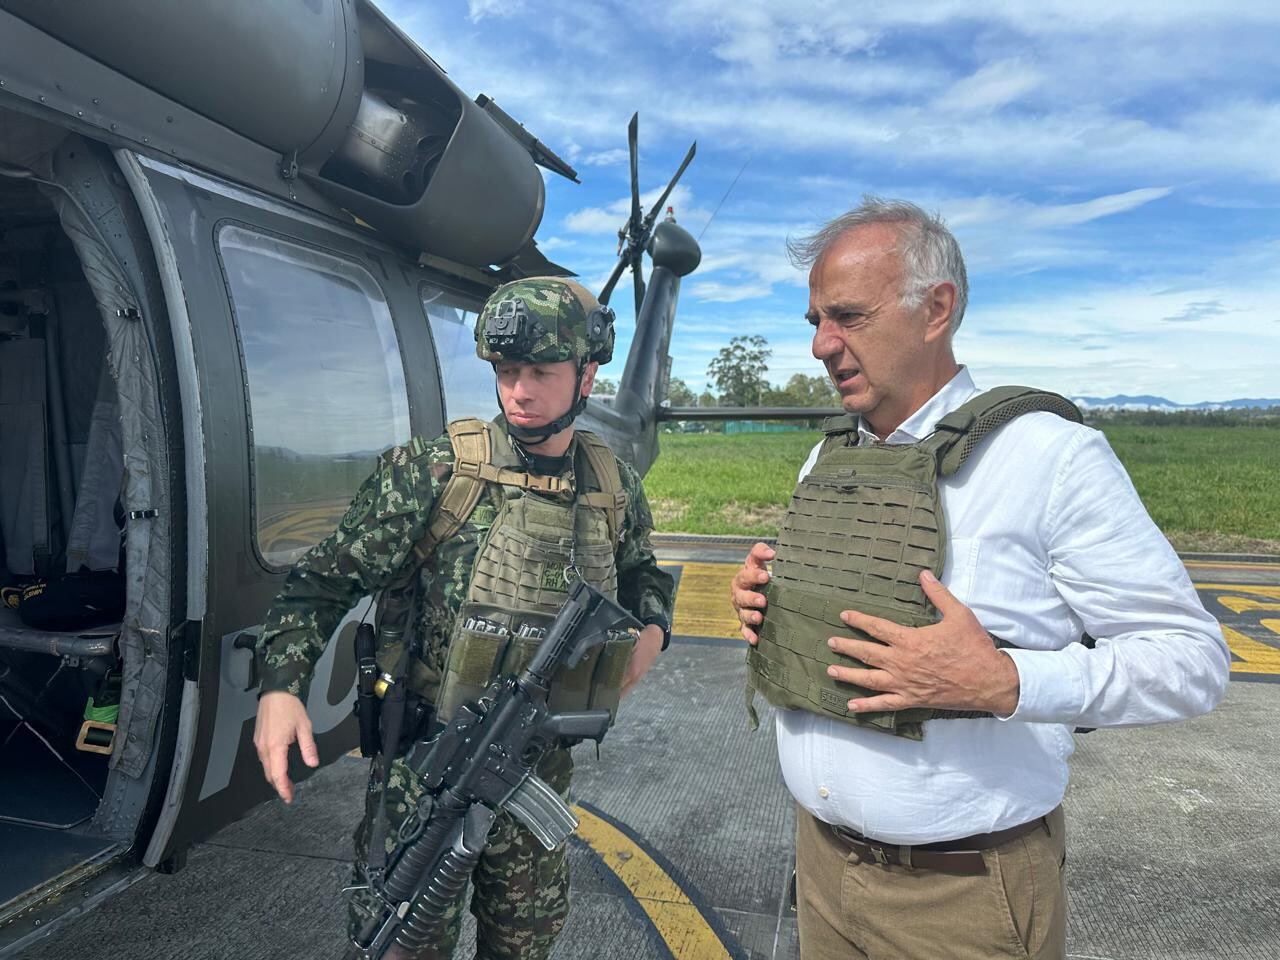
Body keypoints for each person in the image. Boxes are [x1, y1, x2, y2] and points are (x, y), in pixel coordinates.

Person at [730, 198, 1229, 960]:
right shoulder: (829, 456)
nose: (822, 346)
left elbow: (1193, 663)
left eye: (848, 317)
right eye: (814, 322)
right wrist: (772, 603)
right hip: (822, 870)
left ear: (937, 310)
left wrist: (1004, 681)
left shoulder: (1052, 457)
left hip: (963, 895)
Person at [252, 276, 674, 960]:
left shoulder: (611, 482)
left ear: (587, 375)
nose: (520, 392)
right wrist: (280, 687)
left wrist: (652, 632)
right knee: (401, 942)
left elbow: (642, 571)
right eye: (508, 372)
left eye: (541, 372)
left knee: (523, 946)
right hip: (427, 777)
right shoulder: (437, 473)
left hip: (537, 771)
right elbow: (319, 584)